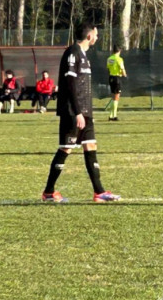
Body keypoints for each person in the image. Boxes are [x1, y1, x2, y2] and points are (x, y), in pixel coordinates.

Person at [42, 23, 120, 203]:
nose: (97, 37)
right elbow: (70, 84)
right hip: (73, 111)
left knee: (90, 145)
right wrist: (77, 112)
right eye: (96, 34)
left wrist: (85, 111)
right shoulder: (72, 52)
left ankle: (99, 192)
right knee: (66, 147)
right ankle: (48, 192)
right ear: (89, 36)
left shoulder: (84, 55)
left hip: (85, 111)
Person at [106, 45, 127, 121]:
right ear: (119, 51)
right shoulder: (119, 59)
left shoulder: (109, 59)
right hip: (117, 78)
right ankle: (114, 116)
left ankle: (111, 115)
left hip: (111, 77)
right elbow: (122, 69)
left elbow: (108, 68)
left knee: (113, 97)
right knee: (116, 97)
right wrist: (125, 75)